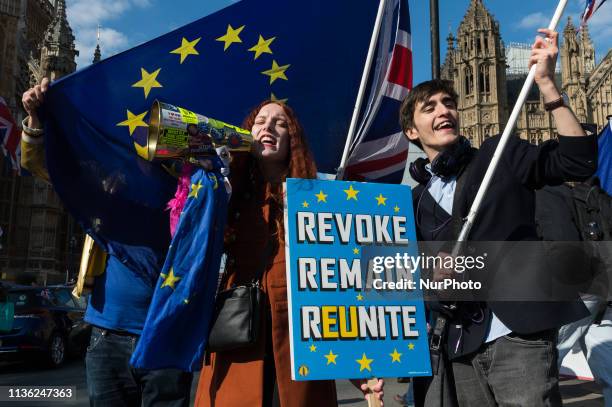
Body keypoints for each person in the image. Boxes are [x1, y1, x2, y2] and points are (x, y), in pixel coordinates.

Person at [401, 29, 597, 406]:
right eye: (430, 107)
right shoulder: (414, 201)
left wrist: (549, 88)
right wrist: (431, 275)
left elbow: (576, 161)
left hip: (518, 334)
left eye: (448, 102)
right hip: (460, 344)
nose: (444, 110)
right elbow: (400, 274)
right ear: (411, 131)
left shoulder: (497, 154)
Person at [194, 100, 384, 406]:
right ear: (247, 133)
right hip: (237, 334)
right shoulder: (225, 187)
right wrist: (209, 183)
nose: (268, 127)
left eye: (280, 123)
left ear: (293, 138)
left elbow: (342, 282)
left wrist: (358, 364)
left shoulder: (318, 198)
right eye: (260, 121)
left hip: (301, 340)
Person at [21, 78, 193, 407]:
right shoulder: (106, 182)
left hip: (165, 336)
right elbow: (39, 165)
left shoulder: (190, 188)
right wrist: (36, 117)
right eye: (144, 131)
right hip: (106, 337)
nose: (149, 140)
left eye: (159, 132)